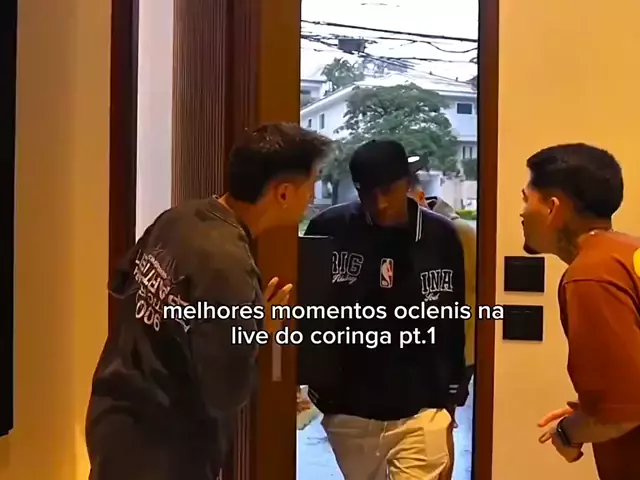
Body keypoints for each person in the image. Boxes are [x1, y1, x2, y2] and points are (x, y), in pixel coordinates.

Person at [86, 123, 332, 480]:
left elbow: (120, 280)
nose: (312, 196)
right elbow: (226, 392)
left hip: (112, 414)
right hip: (165, 448)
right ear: (282, 193)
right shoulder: (229, 265)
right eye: (311, 184)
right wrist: (258, 329)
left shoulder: (180, 217)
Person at [305, 139, 467, 480]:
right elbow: (311, 316)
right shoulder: (328, 230)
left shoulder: (441, 236)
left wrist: (453, 391)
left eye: (388, 190)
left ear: (407, 183)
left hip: (422, 409)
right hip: (349, 410)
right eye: (367, 192)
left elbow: (453, 318)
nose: (378, 203)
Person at [519, 143, 640, 480]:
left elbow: (623, 413)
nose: (522, 213)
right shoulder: (627, 252)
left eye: (527, 199)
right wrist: (592, 411)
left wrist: (568, 433)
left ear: (553, 208)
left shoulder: (590, 274)